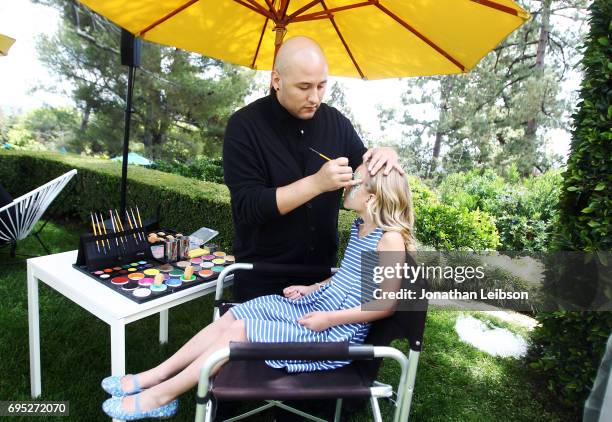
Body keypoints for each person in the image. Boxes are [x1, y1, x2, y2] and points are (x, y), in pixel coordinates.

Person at [101, 162, 415, 420]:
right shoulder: (362, 227)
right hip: (318, 307)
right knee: (236, 314)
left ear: (373, 197)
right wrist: (314, 286)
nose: (347, 185)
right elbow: (349, 279)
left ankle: (161, 396)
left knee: (239, 330)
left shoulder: (389, 240)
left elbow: (385, 305)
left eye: (356, 182)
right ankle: (156, 375)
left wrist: (328, 320)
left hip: (333, 335)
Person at [223, 36, 403, 302]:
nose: (315, 97)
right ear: (276, 81)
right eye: (304, 87)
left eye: (322, 85)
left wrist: (386, 154)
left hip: (322, 279)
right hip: (262, 277)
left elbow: (368, 171)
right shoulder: (244, 126)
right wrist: (316, 184)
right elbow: (248, 207)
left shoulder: (336, 123)